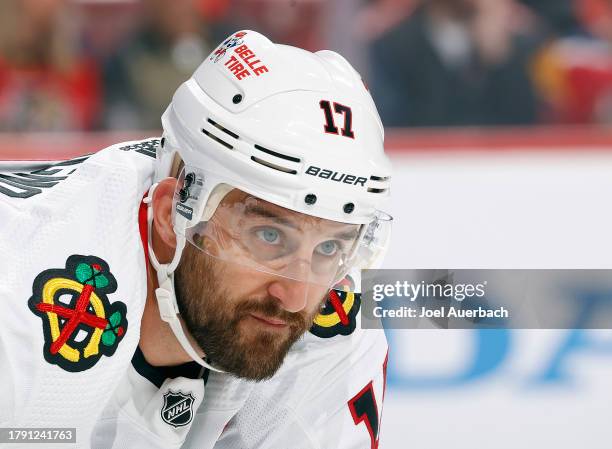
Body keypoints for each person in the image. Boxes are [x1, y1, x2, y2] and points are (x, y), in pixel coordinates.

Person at [0, 30, 392, 449]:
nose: (296, 296)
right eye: (269, 235)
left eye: (329, 247)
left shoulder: (334, 321)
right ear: (173, 214)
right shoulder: (20, 288)